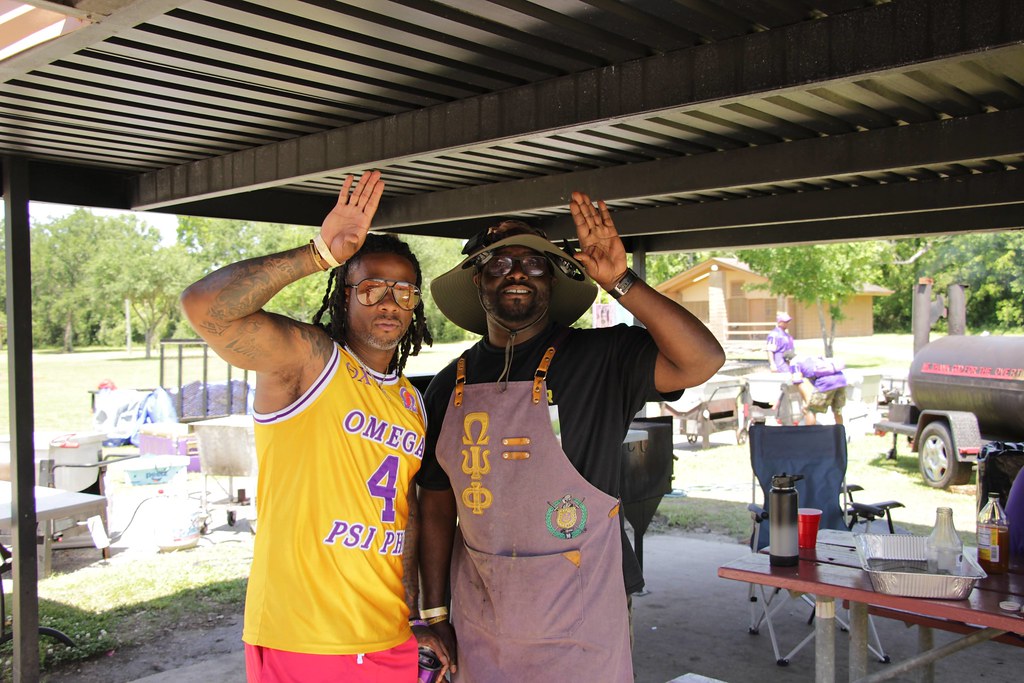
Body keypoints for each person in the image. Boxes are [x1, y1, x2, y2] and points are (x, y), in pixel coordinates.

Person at [416, 191, 726, 681]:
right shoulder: (446, 386)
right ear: (478, 281)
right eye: (499, 264)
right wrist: (434, 613)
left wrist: (622, 281)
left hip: (584, 617)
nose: (517, 273)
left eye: (534, 264)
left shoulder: (605, 357)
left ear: (553, 279)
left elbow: (702, 360)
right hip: (482, 618)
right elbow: (435, 506)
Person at [179, 171, 449, 682]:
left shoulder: (411, 401)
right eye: (370, 288)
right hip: (305, 638)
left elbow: (404, 513)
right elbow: (205, 309)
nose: (388, 302)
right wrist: (320, 253)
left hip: (388, 636)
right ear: (343, 297)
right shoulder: (309, 363)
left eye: (403, 291)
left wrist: (413, 616)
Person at [791, 355, 848, 426]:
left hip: (826, 382)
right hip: (841, 380)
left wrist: (807, 402)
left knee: (810, 410)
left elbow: (797, 380)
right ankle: (840, 431)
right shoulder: (810, 358)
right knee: (837, 410)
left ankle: (810, 432)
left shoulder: (794, 362)